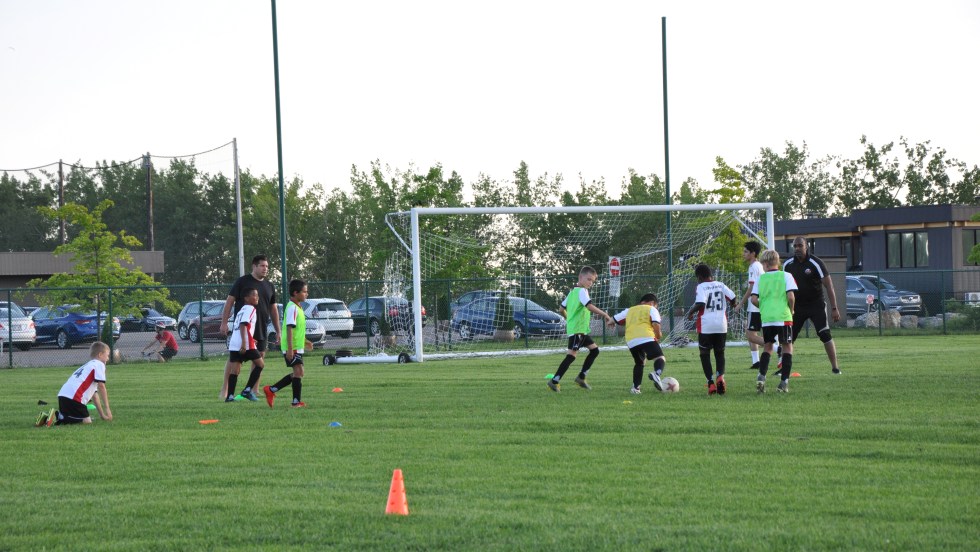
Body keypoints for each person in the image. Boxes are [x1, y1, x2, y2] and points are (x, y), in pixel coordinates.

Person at [219, 255, 281, 398]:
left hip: (260, 328)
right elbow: (229, 302)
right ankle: (226, 389)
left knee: (259, 358)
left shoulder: (269, 286)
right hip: (243, 328)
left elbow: (273, 309)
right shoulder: (242, 281)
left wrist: (278, 330)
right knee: (234, 360)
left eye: (267, 266)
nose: (265, 269)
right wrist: (223, 323)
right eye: (262, 266)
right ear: (254, 266)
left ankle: (254, 389)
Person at [548, 266, 614, 392]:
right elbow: (589, 306)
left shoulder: (572, 292)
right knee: (571, 356)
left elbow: (561, 309)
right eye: (589, 279)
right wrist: (605, 314)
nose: (590, 282)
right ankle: (554, 381)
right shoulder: (581, 291)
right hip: (577, 330)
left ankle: (581, 377)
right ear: (580, 277)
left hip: (579, 330)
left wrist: (569, 319)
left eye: (593, 281)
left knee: (594, 351)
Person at [782, 236, 842, 374]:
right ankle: (783, 370)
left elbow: (829, 285)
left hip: (816, 305)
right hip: (796, 307)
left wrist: (834, 308)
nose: (797, 248)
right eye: (795, 246)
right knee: (788, 338)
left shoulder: (816, 263)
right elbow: (783, 287)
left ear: (806, 246)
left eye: (800, 246)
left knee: (825, 334)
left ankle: (835, 368)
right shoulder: (788, 264)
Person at [685, 263, 737, 396]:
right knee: (720, 353)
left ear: (700, 277)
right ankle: (720, 376)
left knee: (704, 354)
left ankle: (711, 383)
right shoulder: (720, 284)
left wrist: (690, 312)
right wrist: (733, 305)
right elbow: (732, 297)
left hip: (706, 325)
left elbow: (701, 303)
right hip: (721, 324)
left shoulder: (701, 286)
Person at [751, 249, 798, 393]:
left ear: (765, 263)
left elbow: (753, 299)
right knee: (787, 348)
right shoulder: (786, 276)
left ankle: (761, 376)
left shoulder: (760, 279)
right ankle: (783, 383)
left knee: (768, 347)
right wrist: (792, 310)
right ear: (777, 262)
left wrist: (763, 307)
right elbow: (791, 296)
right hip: (783, 318)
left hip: (767, 319)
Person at [35, 341, 113, 427]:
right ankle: (58, 417)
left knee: (83, 419)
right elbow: (102, 386)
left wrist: (102, 415)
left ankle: (53, 417)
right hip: (74, 399)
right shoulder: (99, 364)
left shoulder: (88, 365)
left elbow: (94, 395)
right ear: (100, 354)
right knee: (87, 421)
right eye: (107, 355)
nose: (108, 358)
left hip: (63, 396)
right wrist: (107, 409)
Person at [610, 293, 667, 394]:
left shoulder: (629, 310)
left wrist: (611, 324)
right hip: (646, 337)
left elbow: (612, 320)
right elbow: (655, 323)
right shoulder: (652, 309)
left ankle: (635, 388)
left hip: (631, 341)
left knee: (640, 363)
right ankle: (656, 374)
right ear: (652, 303)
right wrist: (658, 335)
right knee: (660, 358)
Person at [263, 279, 308, 408]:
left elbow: (298, 329)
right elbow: (289, 328)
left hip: (296, 347)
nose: (306, 294)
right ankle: (295, 402)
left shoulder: (298, 308)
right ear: (295, 293)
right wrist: (289, 349)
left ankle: (271, 390)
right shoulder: (292, 308)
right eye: (304, 292)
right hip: (291, 347)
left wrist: (306, 342)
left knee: (299, 373)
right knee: (299, 372)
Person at [224, 287, 265, 402]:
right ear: (246, 298)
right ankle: (247, 391)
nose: (257, 297)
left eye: (257, 295)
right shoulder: (250, 308)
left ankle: (230, 396)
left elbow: (240, 327)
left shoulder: (241, 310)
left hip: (234, 343)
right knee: (260, 364)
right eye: (254, 295)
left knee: (235, 370)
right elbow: (243, 325)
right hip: (244, 343)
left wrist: (249, 338)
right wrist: (244, 343)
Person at [734, 240, 765, 370]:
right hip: (760, 304)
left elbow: (751, 288)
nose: (743, 254)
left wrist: (740, 304)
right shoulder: (758, 266)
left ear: (753, 253)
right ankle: (756, 362)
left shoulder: (753, 267)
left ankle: (776, 348)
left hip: (755, 305)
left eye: (746, 251)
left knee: (750, 335)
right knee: (750, 333)